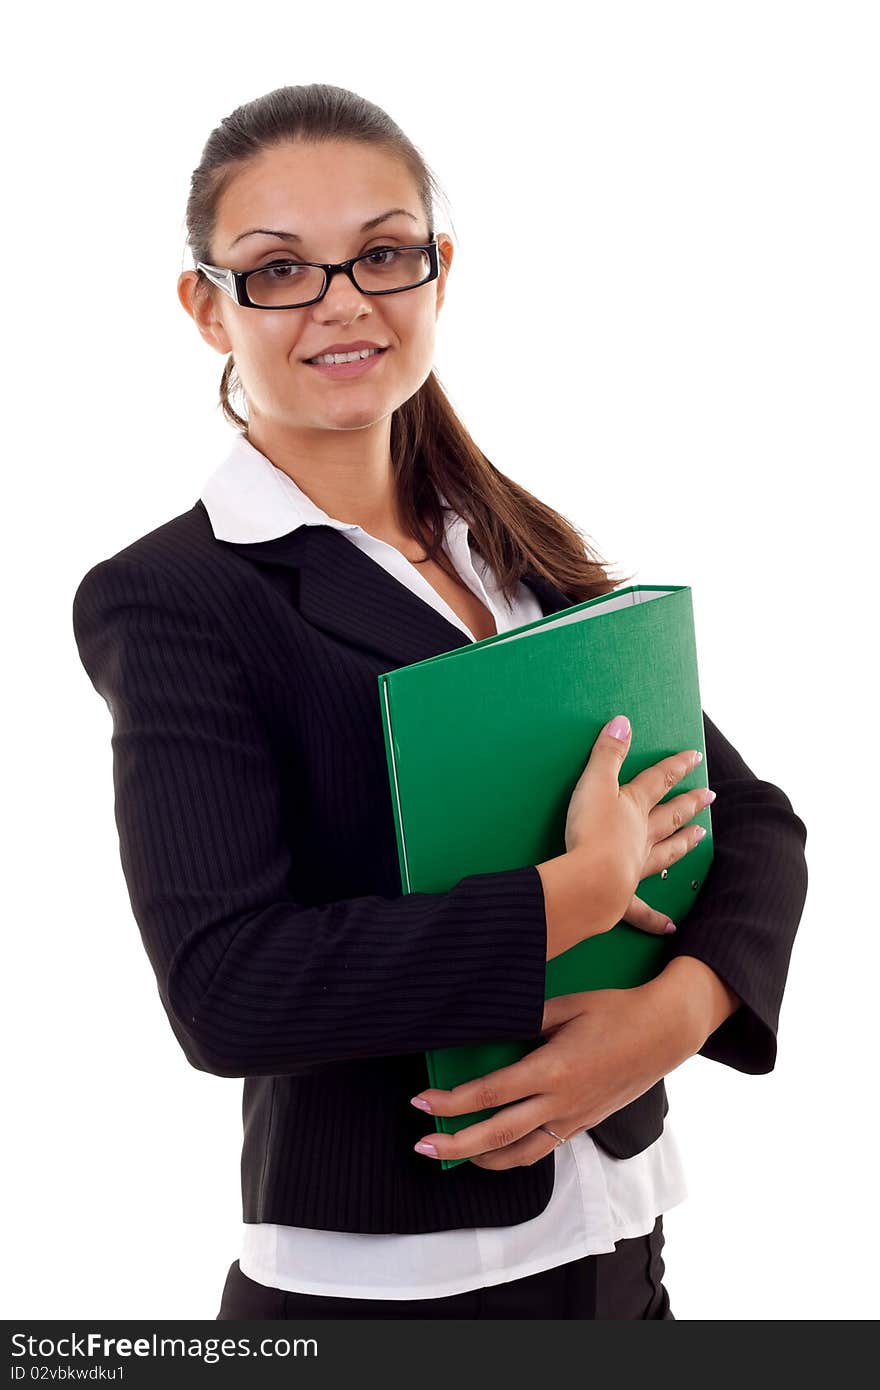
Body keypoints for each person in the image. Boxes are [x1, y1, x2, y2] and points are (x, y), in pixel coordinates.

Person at [71, 83, 809, 1321]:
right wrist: (566, 898)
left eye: (382, 254)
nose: (342, 300)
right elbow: (225, 987)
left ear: (437, 270)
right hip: (392, 1293)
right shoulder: (177, 596)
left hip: (623, 1251)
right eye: (278, 270)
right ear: (207, 307)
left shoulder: (508, 542)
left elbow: (755, 821)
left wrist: (671, 1017)